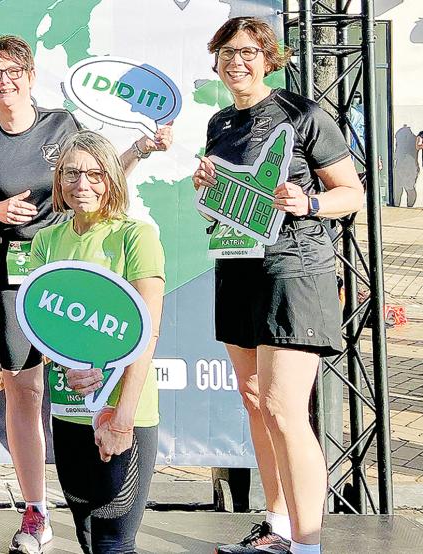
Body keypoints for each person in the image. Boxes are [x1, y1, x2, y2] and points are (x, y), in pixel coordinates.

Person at [0, 34, 171, 553]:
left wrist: (141, 149)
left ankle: (108, 431)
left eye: (14, 69)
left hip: (75, 279)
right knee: (25, 391)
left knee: (110, 534)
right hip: (21, 277)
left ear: (31, 74)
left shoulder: (65, 130)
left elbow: (97, 170)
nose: (4, 79)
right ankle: (36, 510)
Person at [192, 17, 363, 554]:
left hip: (295, 269)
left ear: (269, 57)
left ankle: (307, 543)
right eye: (226, 52)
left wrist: (308, 202)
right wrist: (209, 186)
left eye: (247, 52)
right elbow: (230, 200)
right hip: (237, 268)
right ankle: (278, 526)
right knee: (254, 401)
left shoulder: (303, 114)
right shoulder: (219, 122)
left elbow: (351, 194)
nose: (235, 62)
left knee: (286, 408)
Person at [28, 130, 165, 553]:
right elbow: (46, 335)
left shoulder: (135, 236)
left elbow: (147, 334)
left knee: (114, 544)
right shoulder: (46, 241)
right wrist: (63, 368)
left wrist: (122, 419)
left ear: (112, 178)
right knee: (88, 538)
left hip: (125, 413)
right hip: (70, 416)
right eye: (71, 173)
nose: (81, 183)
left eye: (94, 173)